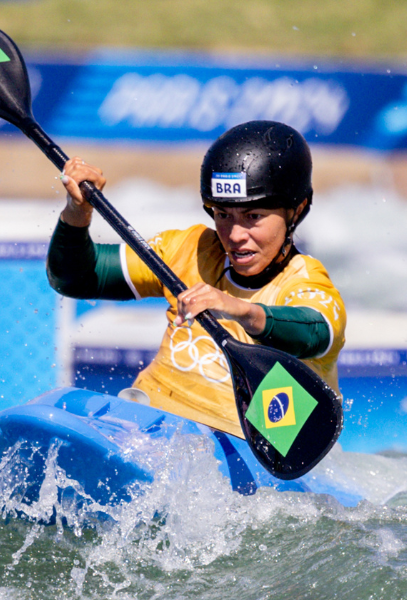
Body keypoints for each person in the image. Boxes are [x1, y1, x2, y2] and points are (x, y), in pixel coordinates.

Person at [47, 121, 345, 438]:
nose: (235, 235)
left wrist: (240, 309)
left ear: (296, 210)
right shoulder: (191, 249)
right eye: (222, 214)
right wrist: (77, 213)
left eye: (253, 217)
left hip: (246, 455)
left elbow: (314, 332)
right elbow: (74, 278)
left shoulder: (306, 281)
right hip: (144, 430)